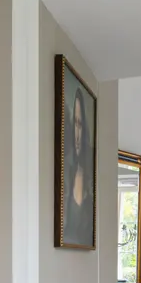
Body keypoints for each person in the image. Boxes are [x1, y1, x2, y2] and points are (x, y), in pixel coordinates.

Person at [63, 86, 94, 245]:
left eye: (80, 124)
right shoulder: (64, 169)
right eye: (74, 123)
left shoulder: (91, 174)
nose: (77, 134)